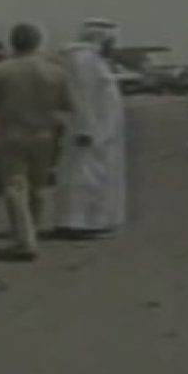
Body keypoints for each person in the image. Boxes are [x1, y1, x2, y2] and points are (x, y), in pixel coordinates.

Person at [0, 23, 72, 260]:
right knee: (39, 187)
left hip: (11, 133)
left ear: (13, 42)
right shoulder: (56, 71)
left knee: (14, 186)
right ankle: (33, 231)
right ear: (38, 42)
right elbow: (67, 104)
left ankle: (24, 239)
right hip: (44, 133)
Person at [55, 18, 128, 236]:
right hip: (90, 132)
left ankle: (94, 221)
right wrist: (85, 127)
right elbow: (82, 97)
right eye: (111, 42)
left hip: (102, 132)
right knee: (84, 177)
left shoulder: (93, 59)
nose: (113, 47)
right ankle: (79, 223)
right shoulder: (83, 59)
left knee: (95, 176)